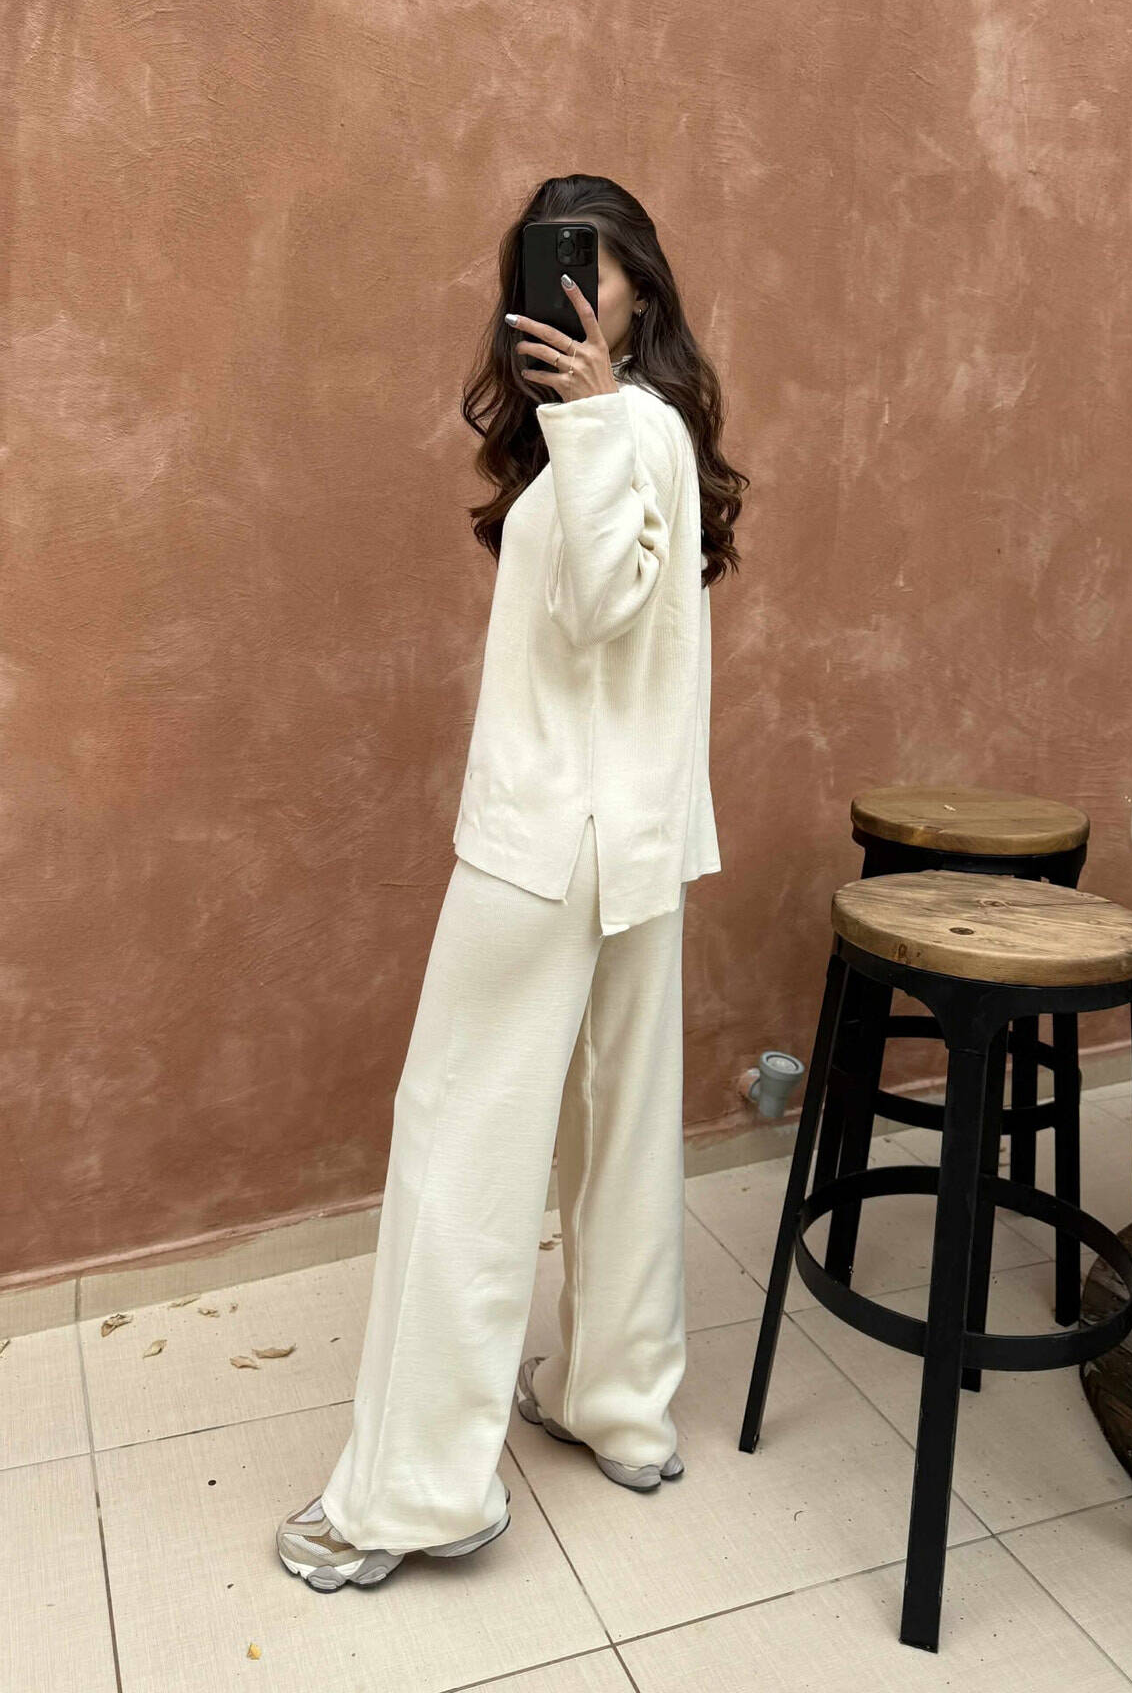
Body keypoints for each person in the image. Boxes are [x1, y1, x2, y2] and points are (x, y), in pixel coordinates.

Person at [277, 175, 746, 1592]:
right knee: (616, 1126)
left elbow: (599, 609)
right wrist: (583, 425)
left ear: (641, 295)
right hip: (632, 838)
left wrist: (586, 420)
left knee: (459, 1137)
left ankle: (414, 1496)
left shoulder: (622, 426)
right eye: (551, 274)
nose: (570, 300)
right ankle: (619, 1408)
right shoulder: (645, 429)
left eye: (597, 274)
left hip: (550, 841)